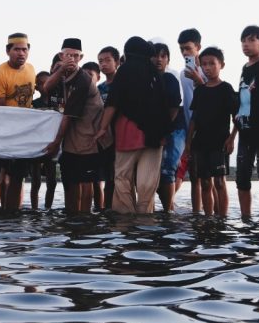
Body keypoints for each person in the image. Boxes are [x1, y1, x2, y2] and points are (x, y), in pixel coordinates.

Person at [94, 37, 169, 214]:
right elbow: (164, 106)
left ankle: (125, 221)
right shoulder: (155, 74)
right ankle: (145, 220)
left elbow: (112, 103)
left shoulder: (124, 71)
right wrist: (164, 134)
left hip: (127, 133)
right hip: (154, 136)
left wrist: (103, 128)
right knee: (147, 183)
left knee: (122, 179)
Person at [42, 39, 106, 213]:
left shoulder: (83, 80)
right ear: (62, 56)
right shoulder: (62, 73)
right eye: (68, 55)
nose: (72, 59)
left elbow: (68, 116)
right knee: (70, 181)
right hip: (71, 141)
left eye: (76, 56)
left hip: (88, 139)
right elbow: (46, 87)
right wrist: (61, 68)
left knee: (86, 183)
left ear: (81, 57)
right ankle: (72, 218)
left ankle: (84, 219)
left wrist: (55, 143)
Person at [0, 32, 37, 211]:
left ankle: (13, 213)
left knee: (18, 176)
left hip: (22, 133)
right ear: (8, 51)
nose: (21, 53)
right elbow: (1, 111)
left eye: (24, 49)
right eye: (17, 49)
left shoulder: (31, 69)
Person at [183, 46, 237, 216]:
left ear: (221, 65)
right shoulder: (200, 90)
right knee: (205, 182)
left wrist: (231, 138)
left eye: (212, 64)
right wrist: (188, 143)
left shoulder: (226, 89)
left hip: (220, 142)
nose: (207, 68)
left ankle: (222, 218)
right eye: (204, 64)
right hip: (200, 143)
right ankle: (208, 219)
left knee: (220, 182)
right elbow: (194, 119)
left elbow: (236, 117)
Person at [232, 25, 259, 220]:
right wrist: (233, 133)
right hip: (244, 130)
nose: (246, 44)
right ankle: (246, 217)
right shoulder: (244, 68)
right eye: (243, 40)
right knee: (242, 176)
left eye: (251, 40)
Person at [152, 43, 185, 212]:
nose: (159, 59)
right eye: (155, 55)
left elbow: (174, 108)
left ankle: (168, 211)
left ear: (168, 60)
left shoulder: (169, 79)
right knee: (154, 172)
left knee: (167, 168)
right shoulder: (146, 82)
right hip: (155, 130)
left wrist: (164, 132)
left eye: (163, 56)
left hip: (175, 128)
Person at [31, 57, 61, 211]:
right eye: (41, 83)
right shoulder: (34, 103)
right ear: (36, 87)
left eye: (46, 82)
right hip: (36, 144)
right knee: (35, 180)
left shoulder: (56, 101)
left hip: (52, 143)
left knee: (52, 180)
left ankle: (48, 208)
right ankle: (35, 209)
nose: (44, 86)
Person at [96, 46, 120, 210]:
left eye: (107, 60)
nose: (103, 64)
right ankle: (107, 211)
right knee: (108, 177)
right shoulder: (100, 88)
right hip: (105, 138)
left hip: (123, 136)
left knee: (121, 177)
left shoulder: (124, 84)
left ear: (117, 62)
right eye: (100, 61)